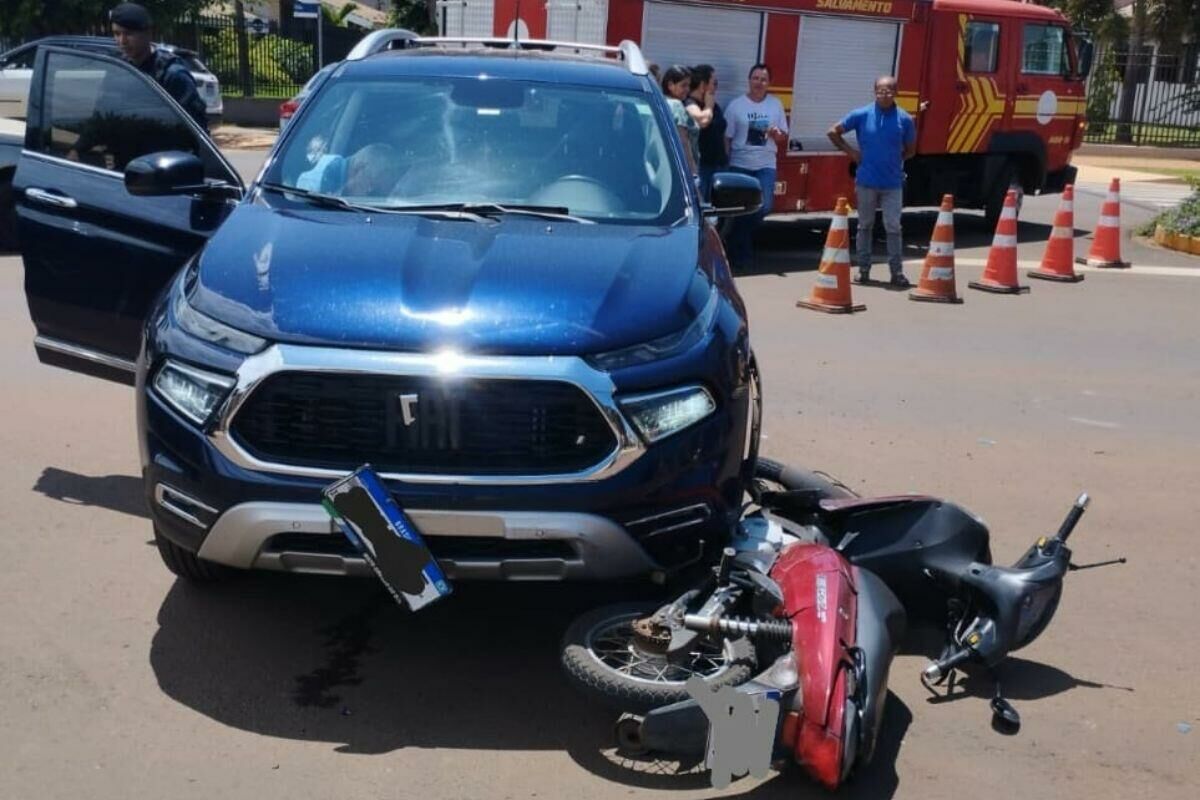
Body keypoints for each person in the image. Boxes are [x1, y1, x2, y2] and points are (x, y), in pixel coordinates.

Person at [827, 75, 917, 288]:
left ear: (896, 92)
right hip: (866, 181)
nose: (883, 94)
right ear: (874, 91)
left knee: (893, 226)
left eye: (888, 90)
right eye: (880, 90)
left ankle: (897, 272)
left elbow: (911, 150)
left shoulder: (904, 119)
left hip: (893, 183)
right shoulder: (861, 114)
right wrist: (852, 152)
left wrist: (895, 161)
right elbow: (833, 132)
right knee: (865, 225)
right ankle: (863, 269)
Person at [724, 63, 788, 272]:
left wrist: (775, 133)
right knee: (739, 210)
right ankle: (742, 253)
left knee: (765, 206)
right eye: (756, 78)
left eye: (763, 79)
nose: (759, 82)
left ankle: (735, 240)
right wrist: (726, 164)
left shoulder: (775, 105)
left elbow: (781, 137)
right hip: (740, 164)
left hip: (765, 165)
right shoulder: (736, 106)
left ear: (769, 83)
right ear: (749, 80)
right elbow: (728, 137)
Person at [109, 3, 209, 132]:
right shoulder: (119, 70)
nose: (122, 41)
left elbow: (196, 130)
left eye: (129, 34)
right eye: (117, 34)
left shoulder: (172, 75)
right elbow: (103, 117)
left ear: (148, 34)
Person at [688, 64, 726, 201]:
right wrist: (708, 105)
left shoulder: (714, 105)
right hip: (702, 167)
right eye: (713, 83)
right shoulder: (690, 103)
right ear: (703, 85)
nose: (716, 87)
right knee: (702, 204)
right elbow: (703, 122)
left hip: (719, 164)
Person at [660, 64, 699, 176]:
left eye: (689, 86)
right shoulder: (676, 106)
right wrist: (693, 173)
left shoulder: (660, 103)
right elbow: (683, 142)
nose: (687, 90)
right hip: (682, 171)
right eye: (683, 85)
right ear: (670, 85)